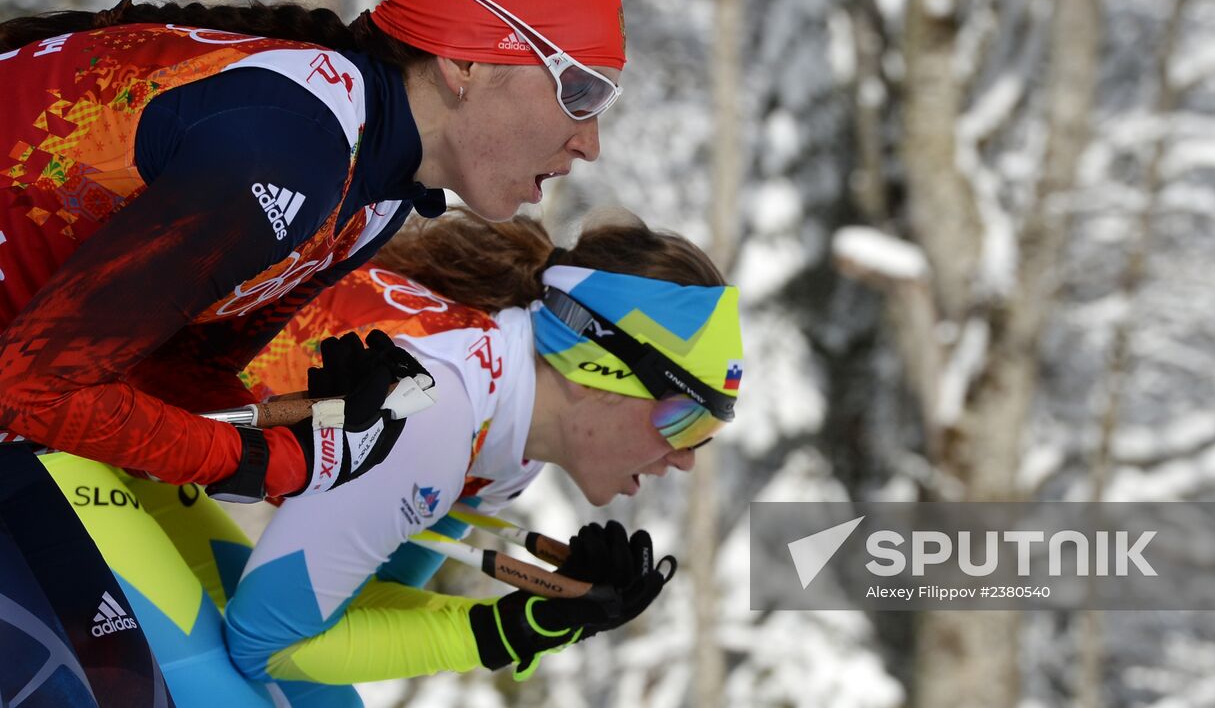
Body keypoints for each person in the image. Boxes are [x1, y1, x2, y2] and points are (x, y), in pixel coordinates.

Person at [0, 0, 628, 705]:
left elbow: (163, 369)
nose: (589, 142)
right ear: (468, 60)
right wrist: (276, 459)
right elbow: (31, 388)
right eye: (581, 91)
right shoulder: (293, 148)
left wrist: (316, 433)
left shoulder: (373, 188)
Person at [42, 208, 744, 705]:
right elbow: (269, 643)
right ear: (602, 367)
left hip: (127, 447)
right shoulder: (443, 410)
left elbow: (345, 607)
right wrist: (502, 632)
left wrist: (536, 621)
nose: (685, 457)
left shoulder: (506, 443)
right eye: (684, 415)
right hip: (50, 428)